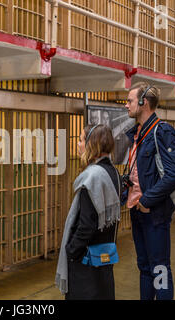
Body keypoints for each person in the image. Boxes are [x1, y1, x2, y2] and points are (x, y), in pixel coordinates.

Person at [122, 82, 175, 300]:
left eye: (130, 101)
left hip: (153, 213)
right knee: (145, 266)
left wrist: (147, 200)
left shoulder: (162, 132)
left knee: (159, 268)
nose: (126, 105)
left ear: (143, 103)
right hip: (137, 209)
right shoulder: (138, 133)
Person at [55, 124, 120, 300]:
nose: (78, 144)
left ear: (93, 144)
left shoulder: (92, 178)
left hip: (86, 262)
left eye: (81, 139)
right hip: (105, 255)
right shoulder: (113, 172)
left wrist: (71, 250)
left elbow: (87, 224)